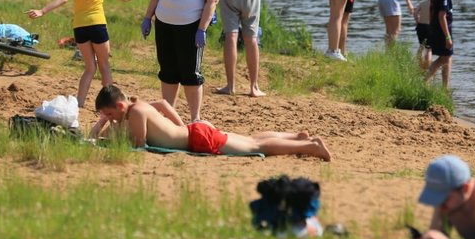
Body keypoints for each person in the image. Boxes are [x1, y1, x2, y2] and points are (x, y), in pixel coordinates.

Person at [27, 0, 147, 108]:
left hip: (80, 28)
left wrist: (42, 11)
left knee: (90, 68)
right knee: (104, 65)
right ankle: (109, 103)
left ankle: (80, 103)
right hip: (98, 25)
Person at [90, 85, 332, 161]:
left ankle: (309, 146)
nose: (109, 120)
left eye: (109, 115)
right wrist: (182, 125)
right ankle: (296, 137)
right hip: (195, 132)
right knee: (251, 139)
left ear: (120, 107)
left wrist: (104, 130)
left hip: (198, 139)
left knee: (256, 147)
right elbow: (164, 103)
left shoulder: (136, 114)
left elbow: (138, 144)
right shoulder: (138, 106)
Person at [142, 0, 220, 121]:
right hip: (164, 23)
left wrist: (202, 28)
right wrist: (147, 17)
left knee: (190, 74)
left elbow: (212, 0)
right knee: (168, 71)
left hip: (190, 25)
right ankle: (170, 116)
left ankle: (195, 118)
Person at [425, 0, 468, 88]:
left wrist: (431, 27)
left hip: (436, 29)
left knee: (446, 58)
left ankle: (443, 87)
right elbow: (441, 16)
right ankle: (426, 82)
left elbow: (431, 11)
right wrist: (447, 37)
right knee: (445, 58)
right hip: (442, 32)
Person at [414, 0, 438, 70]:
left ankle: (419, 66)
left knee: (421, 46)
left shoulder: (423, 3)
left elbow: (415, 13)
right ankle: (427, 68)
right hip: (430, 27)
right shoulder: (436, 5)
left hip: (421, 27)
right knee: (429, 49)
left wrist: (417, 22)